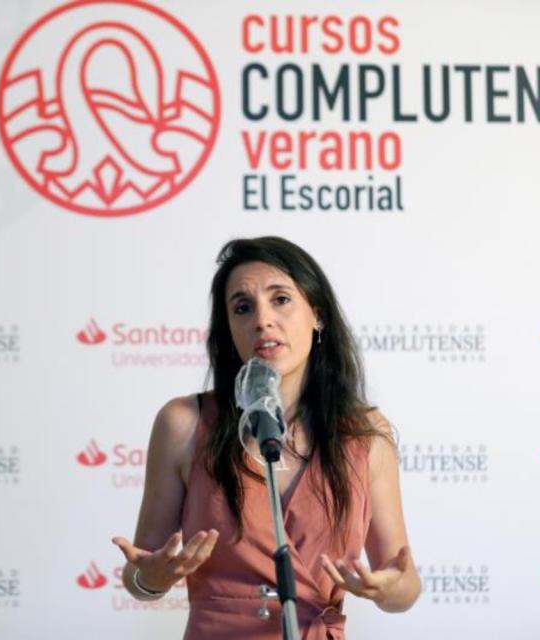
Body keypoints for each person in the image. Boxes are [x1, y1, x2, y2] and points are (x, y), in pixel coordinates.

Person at [112, 237, 420, 639]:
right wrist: (150, 576)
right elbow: (141, 575)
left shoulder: (365, 432)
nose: (262, 320)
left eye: (280, 300)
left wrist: (391, 590)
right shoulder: (183, 423)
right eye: (243, 307)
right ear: (230, 332)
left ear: (318, 314)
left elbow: (402, 580)